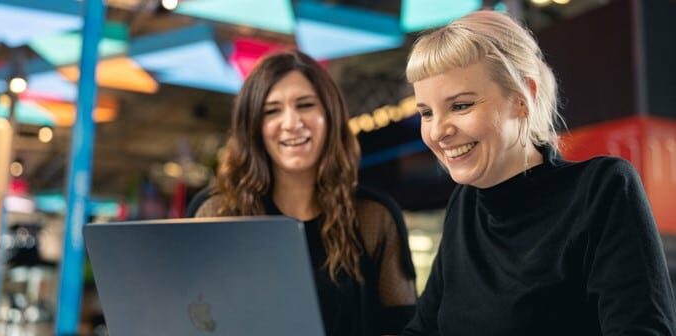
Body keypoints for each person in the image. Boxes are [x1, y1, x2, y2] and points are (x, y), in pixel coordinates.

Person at [400, 10, 676, 336]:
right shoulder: (465, 205)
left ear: (522, 98)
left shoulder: (602, 189)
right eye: (427, 113)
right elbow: (422, 329)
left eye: (461, 106)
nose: (438, 131)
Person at [187, 50, 417, 336]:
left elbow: (401, 326)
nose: (292, 123)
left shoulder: (375, 217)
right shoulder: (217, 212)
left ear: (329, 116)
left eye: (305, 105)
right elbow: (194, 319)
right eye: (272, 111)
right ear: (254, 128)